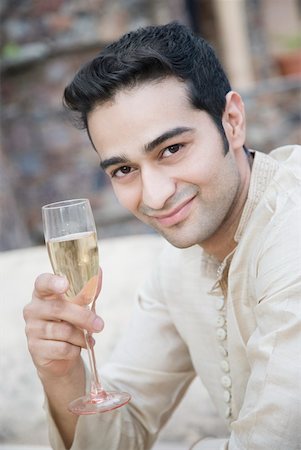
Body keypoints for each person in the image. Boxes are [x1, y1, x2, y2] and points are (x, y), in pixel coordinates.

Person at [23, 22, 301, 450]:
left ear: (232, 121)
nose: (155, 195)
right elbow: (122, 435)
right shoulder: (179, 262)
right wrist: (61, 373)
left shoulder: (292, 229)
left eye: (171, 150)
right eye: (124, 170)